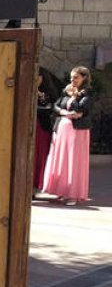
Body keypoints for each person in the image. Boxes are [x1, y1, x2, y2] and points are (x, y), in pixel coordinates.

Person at [41, 66, 94, 205]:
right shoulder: (66, 90)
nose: (72, 80)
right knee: (62, 160)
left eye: (76, 77)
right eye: (71, 77)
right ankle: (62, 191)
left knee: (73, 161)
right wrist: (64, 112)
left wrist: (74, 96)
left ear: (84, 78)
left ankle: (73, 194)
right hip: (62, 130)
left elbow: (80, 109)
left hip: (77, 132)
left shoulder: (87, 93)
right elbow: (56, 106)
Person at [33, 68, 59, 194]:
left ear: (42, 78)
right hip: (30, 128)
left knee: (38, 156)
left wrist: (36, 90)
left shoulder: (49, 94)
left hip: (41, 128)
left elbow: (48, 107)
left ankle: (35, 186)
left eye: (37, 76)